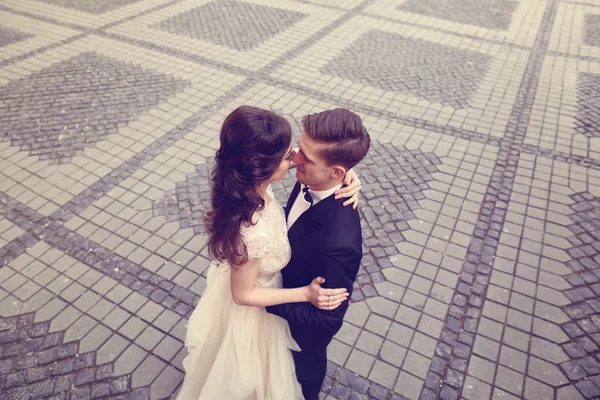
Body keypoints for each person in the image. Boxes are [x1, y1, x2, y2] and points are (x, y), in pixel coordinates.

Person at [176, 106, 362, 400]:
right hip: (253, 306)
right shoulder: (252, 229)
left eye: (300, 154)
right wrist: (304, 293)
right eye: (290, 155)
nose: (296, 158)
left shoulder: (255, 184)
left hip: (291, 327)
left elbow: (328, 320)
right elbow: (243, 294)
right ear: (261, 167)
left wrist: (344, 171)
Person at [266, 109, 370, 400]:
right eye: (300, 147)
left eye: (306, 158)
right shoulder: (316, 175)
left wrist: (263, 300)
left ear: (335, 173)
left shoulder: (340, 243)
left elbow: (326, 322)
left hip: (296, 345)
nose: (294, 157)